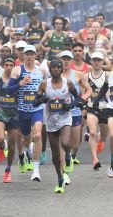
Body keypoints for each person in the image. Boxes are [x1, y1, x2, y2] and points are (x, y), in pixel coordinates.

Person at [34, 59, 84, 193]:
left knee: (66, 142)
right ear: (50, 70)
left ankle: (68, 155)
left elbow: (78, 98)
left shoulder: (67, 83)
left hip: (65, 119)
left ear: (62, 70)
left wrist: (71, 105)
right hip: (50, 122)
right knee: (55, 154)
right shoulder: (44, 84)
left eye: (58, 67)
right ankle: (60, 178)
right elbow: (34, 102)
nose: (56, 69)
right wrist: (41, 100)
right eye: (53, 67)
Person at [8, 45, 47, 182]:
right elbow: (9, 90)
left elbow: (45, 88)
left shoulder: (41, 71)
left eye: (32, 54)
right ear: (23, 55)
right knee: (26, 138)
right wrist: (21, 83)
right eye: (27, 54)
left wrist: (43, 98)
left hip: (37, 109)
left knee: (37, 135)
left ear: (35, 55)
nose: (29, 56)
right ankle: (30, 148)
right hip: (22, 111)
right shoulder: (17, 70)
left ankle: (36, 170)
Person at [0, 57, 18, 182]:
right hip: (0, 113)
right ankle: (1, 147)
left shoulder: (18, 80)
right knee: (0, 138)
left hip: (14, 115)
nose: (9, 67)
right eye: (6, 65)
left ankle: (8, 170)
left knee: (12, 146)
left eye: (11, 65)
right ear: (3, 65)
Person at [60, 50, 92, 164]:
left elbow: (89, 90)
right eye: (63, 59)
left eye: (68, 59)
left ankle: (71, 155)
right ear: (60, 60)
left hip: (75, 112)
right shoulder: (55, 74)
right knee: (63, 142)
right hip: (60, 113)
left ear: (71, 60)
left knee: (74, 144)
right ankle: (64, 172)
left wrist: (82, 100)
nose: (66, 61)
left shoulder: (78, 74)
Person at [86, 51, 108, 171]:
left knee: (104, 136)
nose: (96, 62)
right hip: (92, 108)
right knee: (93, 132)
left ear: (102, 62)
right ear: (91, 61)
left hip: (106, 109)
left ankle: (100, 141)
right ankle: (95, 159)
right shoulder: (86, 76)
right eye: (94, 60)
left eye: (99, 60)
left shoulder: (108, 75)